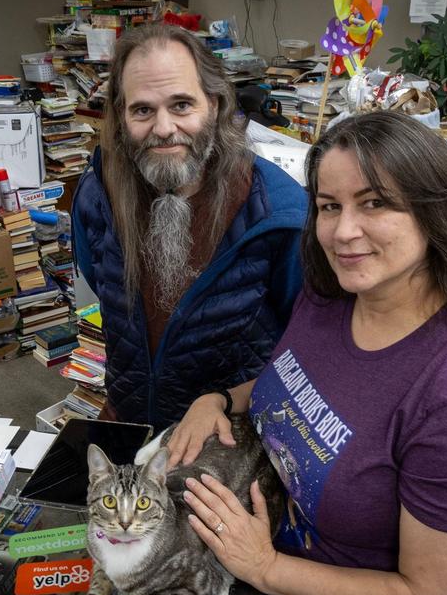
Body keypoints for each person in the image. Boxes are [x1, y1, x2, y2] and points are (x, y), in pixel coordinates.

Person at [175, 112, 447, 595]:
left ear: (434, 214)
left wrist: (265, 568)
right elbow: (296, 386)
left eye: (375, 203)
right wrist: (221, 400)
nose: (342, 232)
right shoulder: (330, 295)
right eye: (328, 207)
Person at [71, 24, 307, 431]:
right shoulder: (98, 194)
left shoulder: (279, 215)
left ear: (214, 105)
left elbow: (307, 351)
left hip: (229, 451)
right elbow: (100, 286)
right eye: (142, 109)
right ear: (121, 115)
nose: (163, 128)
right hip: (132, 432)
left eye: (181, 105)